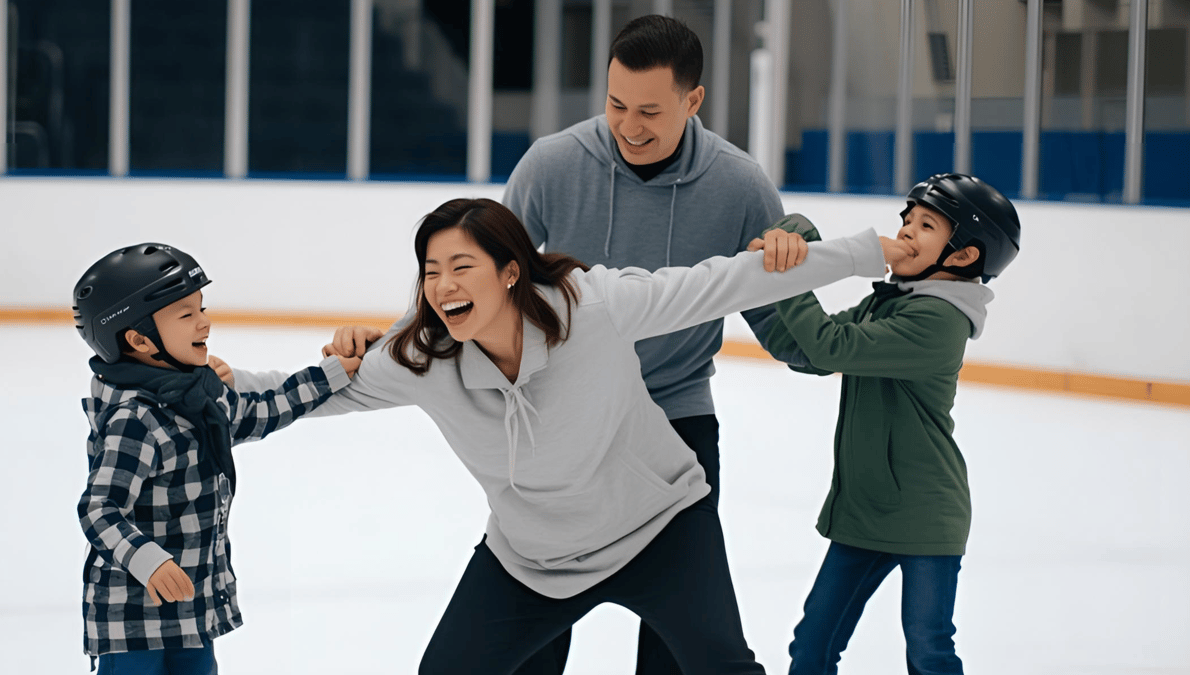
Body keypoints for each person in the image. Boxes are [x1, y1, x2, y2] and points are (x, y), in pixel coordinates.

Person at [277, 197, 906, 674]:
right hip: (532, 561)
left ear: (510, 272)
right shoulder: (422, 357)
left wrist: (865, 252)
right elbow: (313, 393)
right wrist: (208, 388)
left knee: (722, 667)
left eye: (461, 266)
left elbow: (719, 283)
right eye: (430, 270)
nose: (442, 285)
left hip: (660, 529)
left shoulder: (593, 306)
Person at [502, 15, 788, 671]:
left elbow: (788, 333)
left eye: (650, 110)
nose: (628, 125)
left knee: (684, 641)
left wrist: (811, 280)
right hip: (563, 429)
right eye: (615, 103)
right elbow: (490, 286)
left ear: (694, 100)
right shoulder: (553, 164)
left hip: (677, 430)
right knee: (530, 629)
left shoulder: (741, 188)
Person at [756, 174, 1022, 675]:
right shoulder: (891, 300)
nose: (905, 231)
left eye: (925, 225)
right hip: (865, 510)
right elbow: (805, 354)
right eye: (906, 219)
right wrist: (771, 267)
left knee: (929, 652)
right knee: (812, 646)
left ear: (963, 256)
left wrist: (798, 260)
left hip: (924, 514)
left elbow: (829, 345)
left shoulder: (938, 322)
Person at [73, 243, 358, 674]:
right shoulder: (135, 420)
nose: (205, 322)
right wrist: (149, 560)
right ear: (138, 339)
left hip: (190, 608)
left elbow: (261, 411)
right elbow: (100, 510)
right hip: (132, 616)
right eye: (186, 314)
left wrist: (333, 372)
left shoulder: (197, 397)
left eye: (201, 308)